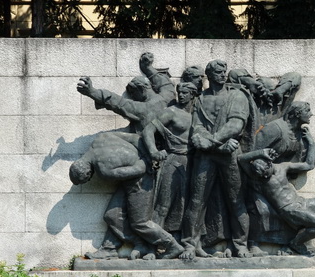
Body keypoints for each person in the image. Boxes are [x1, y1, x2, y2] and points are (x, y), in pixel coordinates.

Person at [69, 131, 184, 260]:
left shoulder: (103, 170)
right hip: (131, 179)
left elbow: (138, 170)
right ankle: (111, 249)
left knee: (140, 222)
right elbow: (135, 138)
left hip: (141, 181)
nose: (89, 180)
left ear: (87, 173)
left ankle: (172, 245)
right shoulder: (101, 138)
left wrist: (148, 161)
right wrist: (146, 154)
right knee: (112, 216)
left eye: (86, 179)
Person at [180, 59, 254, 259]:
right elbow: (197, 127)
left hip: (229, 154)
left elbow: (236, 125)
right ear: (209, 75)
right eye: (219, 72)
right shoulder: (200, 99)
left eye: (224, 71)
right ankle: (189, 244)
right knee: (196, 200)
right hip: (206, 156)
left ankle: (240, 244)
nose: (223, 74)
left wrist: (212, 142)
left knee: (236, 200)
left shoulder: (237, 96)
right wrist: (205, 141)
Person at [142, 81, 198, 232]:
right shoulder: (171, 112)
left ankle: (186, 241)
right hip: (173, 160)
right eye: (179, 92)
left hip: (194, 162)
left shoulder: (199, 114)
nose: (181, 95)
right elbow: (148, 130)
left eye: (185, 92)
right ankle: (153, 244)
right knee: (163, 204)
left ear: (193, 94)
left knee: (189, 204)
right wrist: (154, 151)